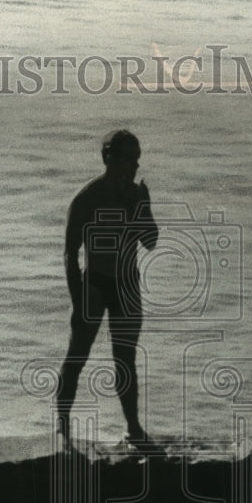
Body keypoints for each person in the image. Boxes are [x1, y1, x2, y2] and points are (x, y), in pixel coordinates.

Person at [56, 130, 159, 452]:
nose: (136, 164)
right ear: (110, 158)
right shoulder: (88, 197)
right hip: (96, 284)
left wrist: (140, 206)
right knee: (77, 355)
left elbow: (151, 241)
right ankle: (62, 427)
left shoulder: (136, 194)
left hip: (127, 283)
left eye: (138, 157)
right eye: (130, 157)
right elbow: (70, 252)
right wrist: (78, 299)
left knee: (125, 361)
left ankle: (133, 428)